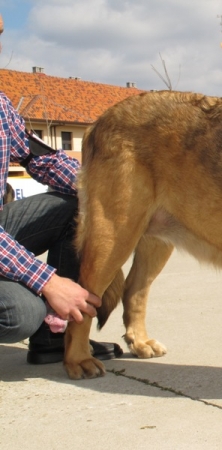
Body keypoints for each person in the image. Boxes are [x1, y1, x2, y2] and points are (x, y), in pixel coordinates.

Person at [0, 14, 122, 364]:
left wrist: (109, 190)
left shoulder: (1, 106)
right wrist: (49, 283)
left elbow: (44, 159)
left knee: (83, 201)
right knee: (20, 313)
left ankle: (55, 337)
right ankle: (40, 310)